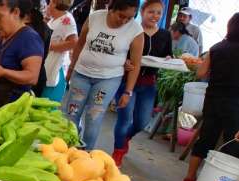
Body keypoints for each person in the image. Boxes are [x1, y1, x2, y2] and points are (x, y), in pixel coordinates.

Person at [62, 0, 144, 150]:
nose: (125, 21)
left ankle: (86, 155)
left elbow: (135, 64)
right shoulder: (95, 17)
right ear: (111, 8)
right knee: (71, 113)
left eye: (129, 18)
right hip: (81, 74)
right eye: (121, 16)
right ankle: (68, 149)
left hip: (108, 80)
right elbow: (80, 43)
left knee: (94, 117)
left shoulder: (136, 30)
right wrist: (71, 67)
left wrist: (128, 91)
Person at [111, 0, 171, 165]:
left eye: (159, 12)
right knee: (124, 119)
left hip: (148, 83)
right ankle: (118, 151)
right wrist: (124, 61)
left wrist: (168, 59)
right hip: (127, 80)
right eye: (151, 11)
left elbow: (168, 55)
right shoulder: (131, 30)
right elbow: (117, 50)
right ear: (142, 11)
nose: (155, 16)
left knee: (142, 122)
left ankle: (126, 138)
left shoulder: (165, 35)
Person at [183, 13, 239, 181]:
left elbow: (200, 74)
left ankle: (190, 177)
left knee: (206, 138)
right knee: (232, 142)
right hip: (235, 104)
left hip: (213, 100)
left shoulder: (216, 48)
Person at [41, 0, 77, 102]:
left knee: (48, 102)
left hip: (57, 66)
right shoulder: (55, 19)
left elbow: (73, 42)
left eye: (51, 2)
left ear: (55, 4)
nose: (48, 4)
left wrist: (50, 46)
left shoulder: (67, 19)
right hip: (48, 64)